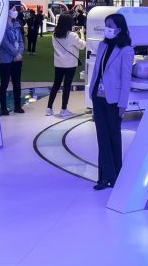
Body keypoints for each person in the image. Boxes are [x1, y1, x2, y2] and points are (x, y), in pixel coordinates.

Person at [88, 12, 134, 191]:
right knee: (102, 137)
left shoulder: (126, 50)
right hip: (98, 97)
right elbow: (97, 72)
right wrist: (92, 92)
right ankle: (104, 177)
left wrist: (123, 104)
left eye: (111, 25)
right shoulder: (102, 46)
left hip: (114, 100)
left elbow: (126, 78)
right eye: (106, 24)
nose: (107, 28)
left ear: (119, 29)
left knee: (114, 137)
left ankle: (116, 176)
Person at [46, 14, 83, 118]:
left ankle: (49, 108)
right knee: (67, 86)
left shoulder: (55, 34)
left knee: (56, 85)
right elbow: (82, 45)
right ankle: (63, 109)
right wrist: (81, 34)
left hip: (58, 63)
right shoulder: (72, 35)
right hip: (70, 64)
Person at [0, 4, 25, 115]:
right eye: (13, 9)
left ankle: (18, 106)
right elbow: (4, 43)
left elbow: (21, 40)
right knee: (5, 84)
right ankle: (3, 108)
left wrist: (20, 53)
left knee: (17, 83)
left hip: (17, 60)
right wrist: (16, 53)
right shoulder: (1, 26)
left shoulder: (16, 24)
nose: (15, 11)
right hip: (5, 60)